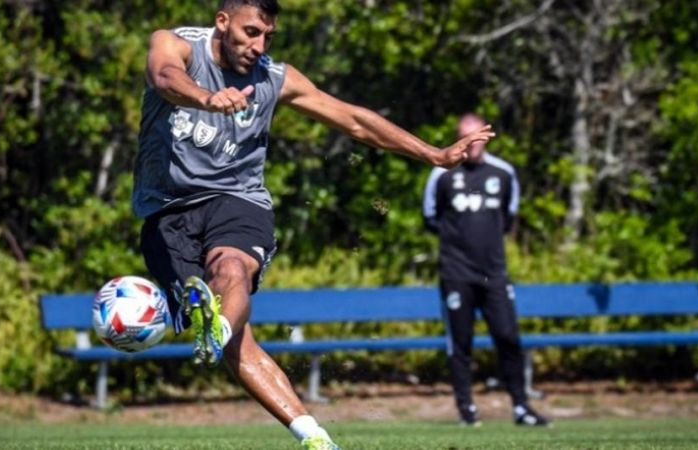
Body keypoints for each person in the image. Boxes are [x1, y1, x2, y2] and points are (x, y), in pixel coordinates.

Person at [134, 1, 495, 448]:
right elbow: (164, 78)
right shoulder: (175, 43)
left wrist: (434, 155)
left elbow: (354, 120)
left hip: (238, 198)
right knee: (235, 342)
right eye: (250, 32)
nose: (258, 45)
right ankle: (313, 435)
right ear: (222, 22)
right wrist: (207, 98)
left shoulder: (273, 77)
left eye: (268, 36)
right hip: (166, 210)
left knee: (232, 270)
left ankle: (216, 325)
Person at [422, 113, 550, 427]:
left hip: (494, 272)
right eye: (465, 136)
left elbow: (509, 217)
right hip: (456, 273)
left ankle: (521, 407)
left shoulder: (504, 173)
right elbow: (430, 217)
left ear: (486, 137)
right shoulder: (442, 175)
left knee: (508, 336)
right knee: (461, 343)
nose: (472, 143)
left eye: (477, 136)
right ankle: (467, 410)